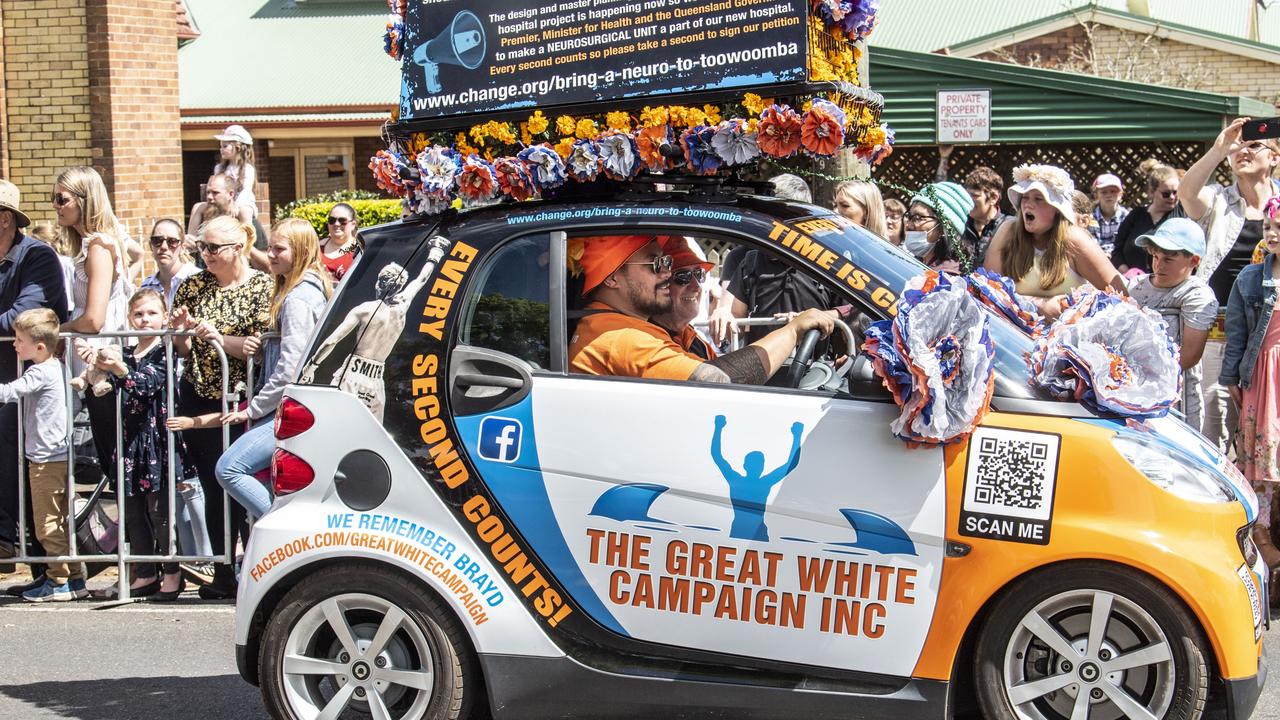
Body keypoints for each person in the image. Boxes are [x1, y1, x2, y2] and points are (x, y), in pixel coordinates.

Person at [170, 215, 273, 599]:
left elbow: (256, 347)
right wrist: (181, 333)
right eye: (202, 247)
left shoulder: (261, 286)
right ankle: (222, 570)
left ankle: (256, 568)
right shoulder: (193, 284)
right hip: (200, 392)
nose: (206, 255)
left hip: (244, 398)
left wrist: (220, 339)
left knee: (245, 481)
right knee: (214, 486)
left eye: (213, 248)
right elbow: (181, 348)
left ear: (238, 247)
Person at [568, 236, 835, 384]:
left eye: (667, 264)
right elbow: (714, 382)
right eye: (655, 265)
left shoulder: (620, 326)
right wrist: (793, 331)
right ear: (612, 278)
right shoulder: (621, 337)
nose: (666, 274)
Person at [215, 219, 332, 521]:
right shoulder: (300, 293)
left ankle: (284, 530)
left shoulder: (299, 299)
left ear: (302, 251)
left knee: (229, 468)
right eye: (270, 248)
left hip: (289, 409)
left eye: (280, 249)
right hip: (289, 407)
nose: (271, 255)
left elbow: (291, 366)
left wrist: (252, 409)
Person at [1180, 118, 1280, 453]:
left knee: (1267, 427)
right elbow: (1187, 193)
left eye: (1254, 146)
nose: (1243, 152)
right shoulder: (1218, 200)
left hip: (1271, 334)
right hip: (1219, 328)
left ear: (1275, 157)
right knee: (1214, 421)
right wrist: (1220, 148)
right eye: (1238, 149)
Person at [94, 289, 200, 601]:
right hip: (129, 441)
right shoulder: (125, 353)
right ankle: (145, 572)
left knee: (160, 511)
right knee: (132, 511)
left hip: (157, 440)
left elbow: (144, 385)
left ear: (164, 317)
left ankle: (172, 573)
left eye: (151, 313)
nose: (144, 320)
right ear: (130, 317)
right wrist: (97, 367)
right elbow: (110, 388)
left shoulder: (164, 352)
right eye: (139, 314)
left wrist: (118, 370)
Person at [0, 181, 68, 596]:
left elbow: (26, 315)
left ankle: (51, 569)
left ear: (4, 218)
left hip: (31, 385)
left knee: (35, 481)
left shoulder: (36, 256)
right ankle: (17, 551)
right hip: (12, 383)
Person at [301, 239, 449, 422]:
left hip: (352, 376)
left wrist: (310, 367)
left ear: (379, 283)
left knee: (336, 427)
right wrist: (436, 251)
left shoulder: (365, 309)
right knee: (370, 437)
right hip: (376, 383)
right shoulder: (403, 305)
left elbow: (332, 340)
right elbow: (422, 278)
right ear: (400, 286)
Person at [54, 166, 134, 486]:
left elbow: (93, 318)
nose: (56, 206)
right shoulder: (90, 245)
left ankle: (134, 532)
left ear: (84, 201)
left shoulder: (99, 246)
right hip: (93, 363)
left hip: (103, 362)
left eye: (61, 199)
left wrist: (57, 330)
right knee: (108, 456)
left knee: (114, 458)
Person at [0, 309, 81, 602]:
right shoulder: (58, 367)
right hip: (57, 454)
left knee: (47, 524)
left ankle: (59, 580)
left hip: (45, 458)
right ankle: (72, 577)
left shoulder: (39, 371)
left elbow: (11, 392)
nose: (14, 344)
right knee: (59, 521)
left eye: (19, 340)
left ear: (40, 347)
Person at [1220, 205, 1280, 568]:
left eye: (1279, 227)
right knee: (1260, 461)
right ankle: (1261, 535)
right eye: (1269, 227)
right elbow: (1237, 331)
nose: (1271, 234)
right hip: (1264, 373)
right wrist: (1231, 379)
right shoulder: (1250, 278)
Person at [985, 164, 1124, 319]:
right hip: (1013, 337)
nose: (1028, 204)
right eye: (1025, 197)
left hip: (1067, 338)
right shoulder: (1008, 231)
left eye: (1039, 199)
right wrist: (1038, 305)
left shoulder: (1074, 239)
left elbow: (1120, 298)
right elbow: (988, 290)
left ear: (1057, 209)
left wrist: (1078, 309)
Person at [1126, 218, 1217, 430]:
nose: (1158, 264)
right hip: (1129, 389)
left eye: (1168, 259)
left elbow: (1190, 355)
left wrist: (1147, 379)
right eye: (1156, 257)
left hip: (1176, 397)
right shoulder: (1136, 286)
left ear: (1193, 261)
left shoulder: (1196, 295)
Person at [650, 237, 717, 359]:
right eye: (683, 276)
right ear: (660, 284)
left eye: (699, 274)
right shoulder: (649, 340)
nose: (696, 286)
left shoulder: (694, 339)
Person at [1111, 160, 1182, 276]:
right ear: (1151, 192)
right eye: (1166, 194)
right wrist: (1128, 273)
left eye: (1175, 192)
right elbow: (1117, 251)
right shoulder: (1136, 215)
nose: (1172, 197)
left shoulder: (1180, 216)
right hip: (1133, 283)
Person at [187, 174, 266, 270]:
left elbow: (266, 264)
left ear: (231, 194)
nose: (209, 197)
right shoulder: (201, 214)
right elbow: (190, 249)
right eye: (207, 192)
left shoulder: (244, 218)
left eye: (215, 193)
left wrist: (244, 244)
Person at [904, 181, 974, 275]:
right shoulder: (920, 261)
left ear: (945, 226)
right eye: (909, 217)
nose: (909, 225)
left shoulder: (945, 279)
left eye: (918, 218)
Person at [141, 219, 199, 310]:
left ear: (182, 248)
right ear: (150, 245)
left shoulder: (199, 279)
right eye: (157, 240)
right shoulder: (147, 286)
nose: (164, 247)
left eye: (172, 241)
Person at [962, 166, 1008, 265]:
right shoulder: (961, 225)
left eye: (975, 196)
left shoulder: (1008, 227)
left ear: (994, 198)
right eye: (967, 195)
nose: (968, 200)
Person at [213, 124, 258, 210]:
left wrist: (236, 206)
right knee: (198, 207)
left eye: (225, 146)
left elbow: (246, 191)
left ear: (238, 148)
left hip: (243, 205)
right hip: (224, 205)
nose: (221, 149)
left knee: (245, 211)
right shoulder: (218, 168)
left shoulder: (248, 169)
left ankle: (247, 224)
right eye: (220, 146)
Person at [319, 202, 361, 283]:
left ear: (353, 225)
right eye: (332, 220)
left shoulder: (359, 251)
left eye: (342, 221)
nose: (336, 224)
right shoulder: (317, 248)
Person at [1090, 173, 1129, 256]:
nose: (1108, 195)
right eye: (1104, 192)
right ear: (1096, 195)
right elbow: (1091, 243)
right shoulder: (1090, 218)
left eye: (1113, 191)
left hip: (1120, 259)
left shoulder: (1127, 217)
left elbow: (1125, 244)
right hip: (1096, 258)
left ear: (1120, 194)